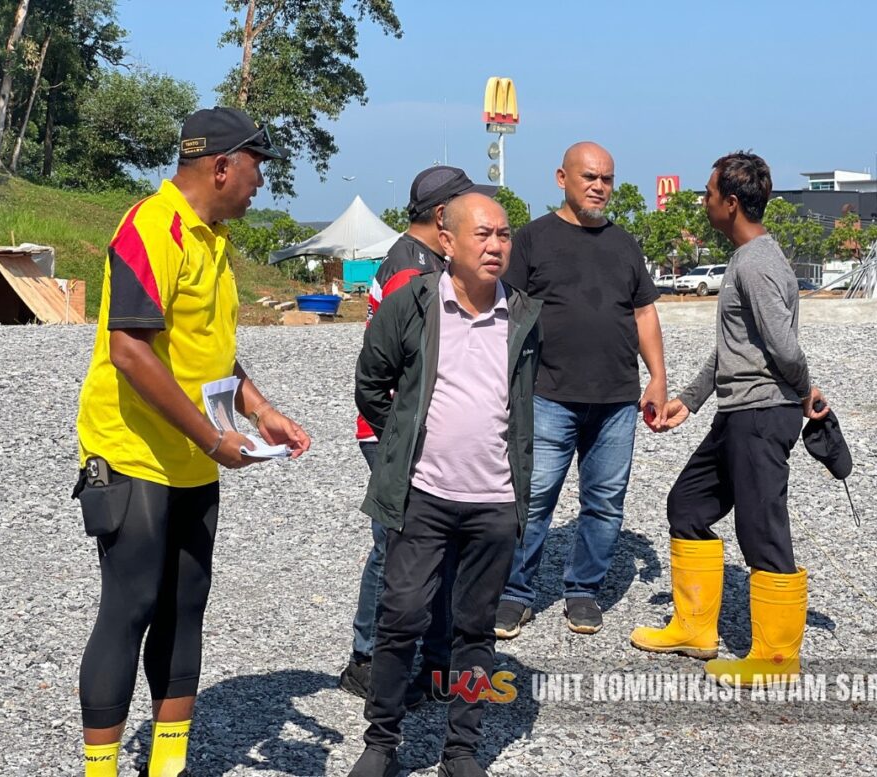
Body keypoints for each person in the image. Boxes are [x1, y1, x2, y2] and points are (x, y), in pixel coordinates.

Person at [73, 107, 311, 777]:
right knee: (130, 606)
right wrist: (212, 438)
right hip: (131, 452)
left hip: (193, 455)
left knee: (185, 607)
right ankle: (100, 770)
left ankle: (168, 765)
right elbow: (129, 350)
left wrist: (260, 409)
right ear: (222, 166)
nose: (261, 182)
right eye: (257, 167)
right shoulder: (151, 227)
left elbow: (208, 349)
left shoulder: (214, 240)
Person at [349, 193, 541, 777]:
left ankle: (461, 750)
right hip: (423, 496)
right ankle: (381, 743)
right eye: (482, 234)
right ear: (447, 241)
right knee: (400, 617)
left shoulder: (525, 314)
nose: (495, 245)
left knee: (474, 629)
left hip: (495, 501)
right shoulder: (411, 304)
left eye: (503, 234)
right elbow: (371, 383)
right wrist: (405, 443)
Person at [629, 151, 829, 685]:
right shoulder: (748, 258)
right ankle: (695, 629)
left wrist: (803, 389)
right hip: (738, 412)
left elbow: (783, 346)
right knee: (688, 505)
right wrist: (690, 400)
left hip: (761, 414)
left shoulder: (757, 263)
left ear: (732, 202)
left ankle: (777, 660)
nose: (704, 200)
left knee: (762, 530)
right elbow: (734, 348)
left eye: (710, 192)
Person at [495, 141, 667, 639]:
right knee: (533, 498)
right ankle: (514, 593)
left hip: (617, 401)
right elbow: (505, 313)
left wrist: (657, 377)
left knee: (605, 503)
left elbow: (643, 313)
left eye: (606, 179)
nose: (598, 187)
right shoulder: (532, 240)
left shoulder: (625, 244)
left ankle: (583, 590)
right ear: (562, 178)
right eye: (589, 177)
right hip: (548, 394)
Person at [341, 167, 497, 703]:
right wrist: (402, 437)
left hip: (407, 431)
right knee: (398, 547)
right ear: (442, 215)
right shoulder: (412, 269)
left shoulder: (425, 260)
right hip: (395, 432)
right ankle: (368, 659)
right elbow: (393, 370)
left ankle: (431, 657)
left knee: (427, 546)